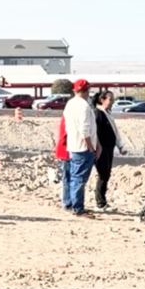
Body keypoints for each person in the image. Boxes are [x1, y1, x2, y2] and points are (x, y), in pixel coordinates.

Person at [63, 79, 98, 217]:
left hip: (73, 145)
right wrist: (90, 147)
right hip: (82, 147)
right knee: (79, 178)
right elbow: (84, 130)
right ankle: (77, 207)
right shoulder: (83, 106)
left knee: (73, 176)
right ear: (86, 90)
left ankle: (71, 203)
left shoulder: (70, 104)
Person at [91, 90, 128, 211]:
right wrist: (98, 147)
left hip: (108, 148)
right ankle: (100, 203)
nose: (112, 102)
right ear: (102, 100)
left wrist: (120, 145)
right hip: (101, 149)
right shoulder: (98, 113)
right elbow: (96, 133)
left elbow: (114, 132)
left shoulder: (107, 113)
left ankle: (102, 201)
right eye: (110, 100)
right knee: (103, 175)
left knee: (105, 175)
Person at [53, 112, 72, 211]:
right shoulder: (69, 117)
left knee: (69, 178)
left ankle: (69, 201)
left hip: (68, 151)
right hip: (67, 152)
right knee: (67, 178)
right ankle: (67, 202)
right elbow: (65, 136)